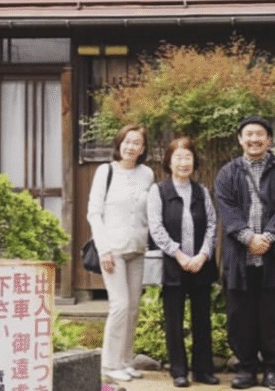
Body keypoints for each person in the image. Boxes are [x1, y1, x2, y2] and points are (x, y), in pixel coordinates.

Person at [214, 116, 275, 391]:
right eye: (248, 134)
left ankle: (274, 368)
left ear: (269, 139)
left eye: (259, 134)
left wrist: (269, 237)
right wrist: (249, 238)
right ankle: (246, 368)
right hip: (240, 257)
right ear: (240, 139)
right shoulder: (227, 173)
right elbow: (226, 211)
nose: (254, 139)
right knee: (240, 315)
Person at [147, 137, 221, 388]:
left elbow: (212, 224)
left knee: (202, 318)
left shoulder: (201, 191)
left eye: (187, 157)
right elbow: (156, 228)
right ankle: (179, 371)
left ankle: (203, 370)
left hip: (201, 264)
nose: (183, 162)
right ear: (169, 161)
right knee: (174, 320)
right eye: (178, 157)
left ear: (194, 161)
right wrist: (178, 254)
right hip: (173, 265)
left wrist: (202, 255)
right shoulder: (159, 191)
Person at [87, 124, 155, 382]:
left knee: (134, 308)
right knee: (120, 305)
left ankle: (126, 361)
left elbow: (148, 211)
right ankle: (110, 363)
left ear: (143, 149)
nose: (131, 146)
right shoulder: (105, 172)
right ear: (119, 144)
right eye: (127, 141)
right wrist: (103, 249)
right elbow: (94, 213)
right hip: (112, 249)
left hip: (137, 248)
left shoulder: (146, 173)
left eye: (136, 143)